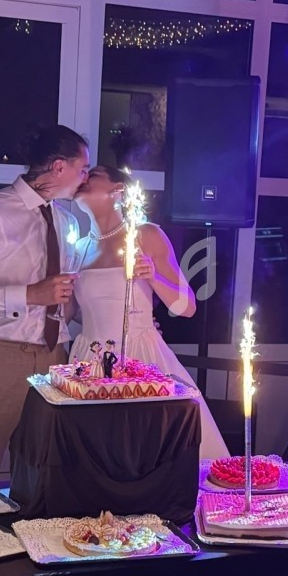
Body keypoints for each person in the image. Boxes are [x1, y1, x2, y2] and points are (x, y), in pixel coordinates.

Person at [0, 125, 90, 481]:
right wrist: (30, 294)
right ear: (58, 167)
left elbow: (67, 295)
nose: (85, 178)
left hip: (55, 360)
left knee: (43, 473)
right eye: (82, 168)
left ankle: (29, 537)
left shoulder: (64, 220)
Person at [68, 165, 231, 459]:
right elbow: (83, 313)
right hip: (88, 361)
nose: (83, 179)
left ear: (118, 190)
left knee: (142, 452)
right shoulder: (78, 248)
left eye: (92, 175)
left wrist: (153, 275)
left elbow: (187, 307)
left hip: (140, 357)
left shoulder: (145, 235)